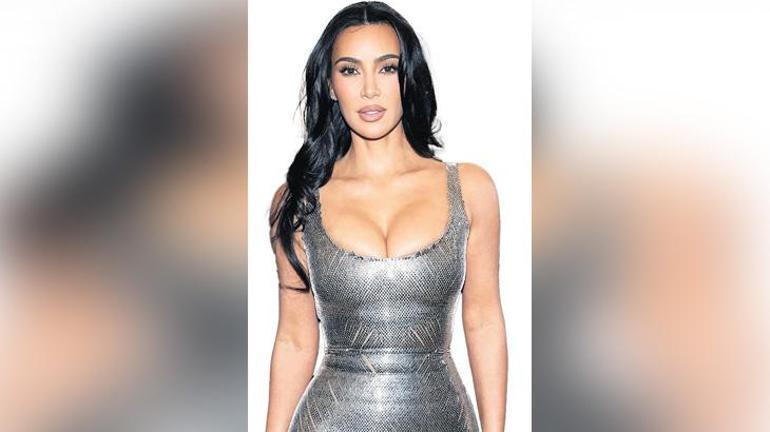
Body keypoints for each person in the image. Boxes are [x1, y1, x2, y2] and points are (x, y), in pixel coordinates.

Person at [266, 2, 507, 431]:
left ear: (408, 78)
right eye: (350, 70)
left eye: (387, 68)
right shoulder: (298, 202)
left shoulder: (470, 189)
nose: (370, 90)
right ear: (330, 85)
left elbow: (484, 320)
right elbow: (295, 340)